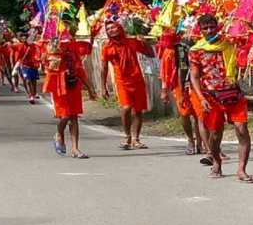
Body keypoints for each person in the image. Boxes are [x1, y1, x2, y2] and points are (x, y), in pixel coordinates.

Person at [188, 14, 253, 182]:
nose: (210, 30)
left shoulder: (230, 43)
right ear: (200, 31)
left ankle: (241, 170)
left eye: (212, 27)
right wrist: (201, 98)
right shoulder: (196, 51)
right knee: (215, 135)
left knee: (242, 130)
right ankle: (216, 161)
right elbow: (194, 77)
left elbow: (249, 40)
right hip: (212, 98)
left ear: (218, 26)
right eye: (205, 28)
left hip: (234, 95)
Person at [43, 22, 97, 159]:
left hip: (73, 85)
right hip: (58, 86)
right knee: (65, 116)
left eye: (67, 29)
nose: (65, 31)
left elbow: (79, 68)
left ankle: (75, 148)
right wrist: (52, 54)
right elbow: (46, 66)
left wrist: (90, 87)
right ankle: (58, 134)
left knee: (74, 118)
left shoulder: (73, 46)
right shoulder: (49, 46)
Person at [101, 21, 154, 150]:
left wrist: (143, 42)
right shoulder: (107, 47)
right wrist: (103, 87)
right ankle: (127, 136)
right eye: (108, 29)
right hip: (122, 81)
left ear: (119, 28)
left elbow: (151, 54)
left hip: (137, 79)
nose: (112, 30)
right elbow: (103, 69)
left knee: (138, 110)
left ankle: (136, 139)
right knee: (126, 108)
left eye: (113, 27)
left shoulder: (132, 42)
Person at [158, 29, 203, 155]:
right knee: (185, 113)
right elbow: (165, 74)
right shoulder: (168, 53)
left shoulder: (189, 47)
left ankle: (201, 142)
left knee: (199, 114)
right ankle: (190, 140)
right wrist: (164, 90)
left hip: (195, 83)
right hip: (179, 86)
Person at [13, 31, 41, 103]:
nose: (24, 39)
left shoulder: (34, 46)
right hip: (25, 65)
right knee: (27, 80)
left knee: (33, 81)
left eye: (26, 37)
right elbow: (11, 47)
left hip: (33, 65)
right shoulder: (19, 45)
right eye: (23, 38)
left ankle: (34, 93)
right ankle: (31, 96)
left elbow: (38, 53)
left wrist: (37, 59)